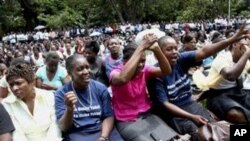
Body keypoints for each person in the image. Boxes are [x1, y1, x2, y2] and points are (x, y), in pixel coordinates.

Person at [147, 24, 249, 141]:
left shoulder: (180, 59)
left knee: (225, 129)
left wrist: (233, 38)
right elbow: (166, 105)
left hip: (191, 105)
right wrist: (192, 117)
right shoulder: (154, 75)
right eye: (169, 49)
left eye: (175, 48)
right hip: (175, 114)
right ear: (157, 54)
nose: (175, 52)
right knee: (201, 135)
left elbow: (204, 52)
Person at [110, 34, 177, 141]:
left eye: (143, 61)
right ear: (125, 61)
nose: (141, 65)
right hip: (126, 120)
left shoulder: (144, 70)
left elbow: (166, 71)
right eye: (138, 61)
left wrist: (156, 49)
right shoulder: (116, 73)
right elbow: (122, 79)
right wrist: (141, 47)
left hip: (147, 115)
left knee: (172, 138)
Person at [55, 54, 123, 141]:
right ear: (69, 73)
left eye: (87, 67)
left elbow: (108, 116)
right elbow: (63, 127)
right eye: (80, 69)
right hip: (78, 134)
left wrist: (103, 137)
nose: (86, 71)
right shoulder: (62, 93)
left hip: (103, 130)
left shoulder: (100, 88)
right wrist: (69, 109)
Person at [193, 38, 250, 124]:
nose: (247, 49)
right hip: (218, 95)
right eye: (245, 46)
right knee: (235, 115)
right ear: (234, 44)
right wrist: (247, 54)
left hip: (238, 92)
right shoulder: (222, 58)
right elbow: (230, 76)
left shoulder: (246, 60)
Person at [2, 61, 62, 141]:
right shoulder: (7, 104)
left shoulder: (48, 96)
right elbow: (18, 134)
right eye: (11, 85)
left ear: (32, 82)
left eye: (18, 83)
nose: (14, 88)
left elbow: (54, 126)